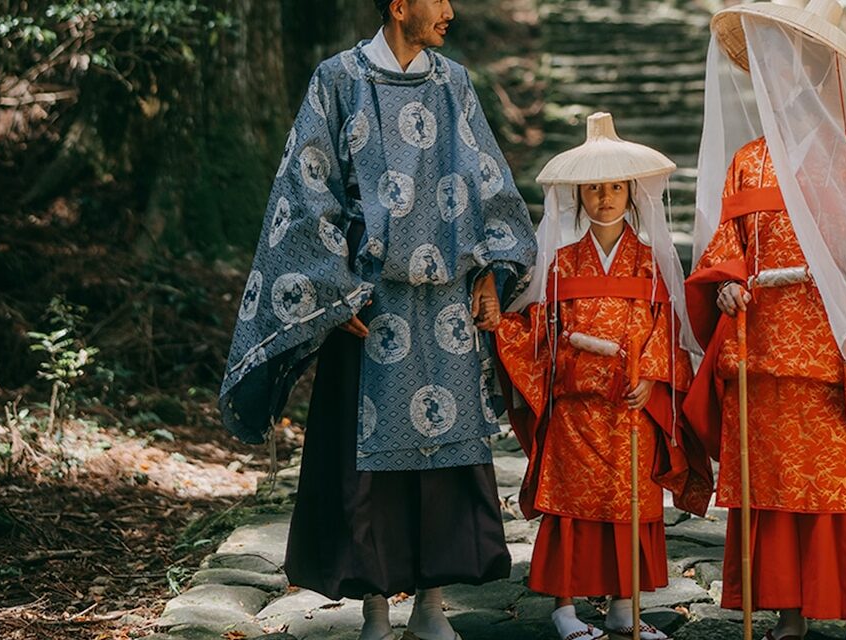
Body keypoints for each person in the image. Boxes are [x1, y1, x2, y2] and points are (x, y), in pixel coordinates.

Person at [216, 0, 537, 638]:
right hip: (367, 304)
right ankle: (374, 611)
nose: (450, 10)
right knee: (362, 466)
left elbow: (490, 184)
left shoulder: (455, 83)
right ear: (398, 5)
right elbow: (307, 191)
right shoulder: (338, 79)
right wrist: (333, 296)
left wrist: (492, 277)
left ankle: (431, 605)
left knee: (443, 459)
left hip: (444, 304)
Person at [683, 2, 846, 639]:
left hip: (831, 348)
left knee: (838, 489)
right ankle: (788, 617)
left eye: (804, 69)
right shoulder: (747, 160)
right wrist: (726, 289)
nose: (790, 80)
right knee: (771, 492)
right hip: (762, 348)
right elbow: (727, 246)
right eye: (780, 68)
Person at [496, 113, 711, 640]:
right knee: (570, 506)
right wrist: (502, 327)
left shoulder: (650, 266)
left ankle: (623, 606)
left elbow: (667, 328)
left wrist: (656, 381)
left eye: (615, 187)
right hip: (574, 409)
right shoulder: (561, 264)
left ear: (632, 194)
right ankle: (565, 609)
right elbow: (538, 332)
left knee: (630, 505)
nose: (606, 197)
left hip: (631, 406)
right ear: (580, 197)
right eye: (594, 189)